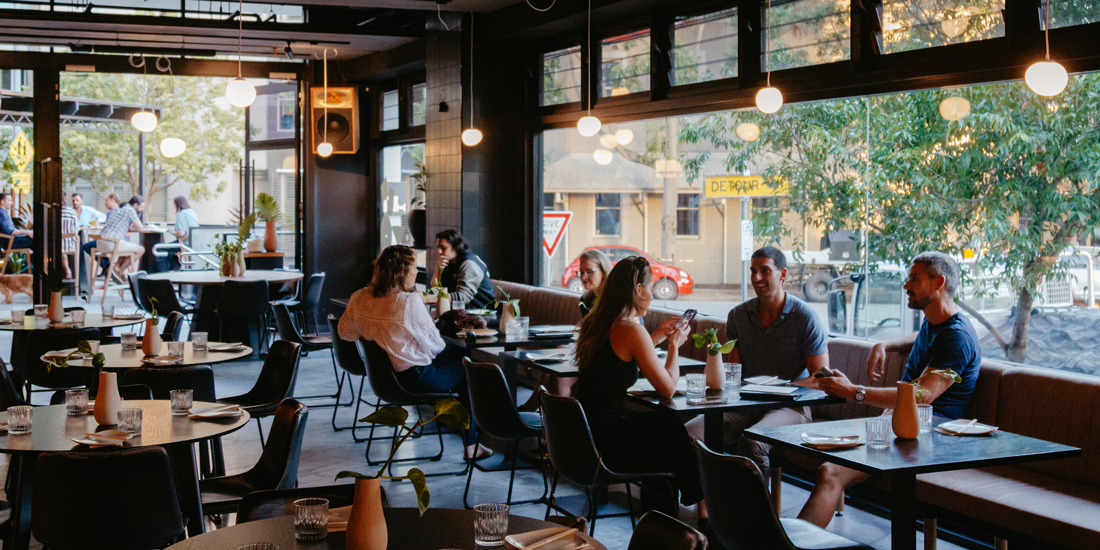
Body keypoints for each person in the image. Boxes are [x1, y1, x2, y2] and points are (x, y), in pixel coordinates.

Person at [797, 251, 981, 528]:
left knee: (830, 472)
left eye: (914, 279)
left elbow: (919, 396)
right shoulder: (935, 322)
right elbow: (923, 337)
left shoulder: (958, 337)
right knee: (821, 450)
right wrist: (886, 344)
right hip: (901, 428)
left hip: (929, 436)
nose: (906, 286)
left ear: (939, 283)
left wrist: (853, 391)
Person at [571, 256, 707, 523]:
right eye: (651, 286)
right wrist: (674, 346)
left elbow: (622, 354)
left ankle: (675, 518)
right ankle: (700, 511)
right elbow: (668, 388)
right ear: (638, 289)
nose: (653, 294)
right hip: (607, 447)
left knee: (664, 432)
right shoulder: (630, 329)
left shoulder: (597, 322)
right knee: (669, 427)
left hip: (583, 438)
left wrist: (653, 337)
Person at [338, 245, 491, 460]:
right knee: (468, 367)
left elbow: (345, 332)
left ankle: (453, 423)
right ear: (402, 272)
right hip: (413, 380)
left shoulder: (359, 296)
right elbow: (436, 346)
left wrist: (375, 333)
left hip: (383, 380)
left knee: (459, 362)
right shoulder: (407, 301)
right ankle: (473, 444)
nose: (416, 272)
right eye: (413, 268)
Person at [685, 246, 829, 473]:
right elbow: (735, 372)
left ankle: (756, 508)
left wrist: (783, 388)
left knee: (752, 442)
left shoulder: (805, 317)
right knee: (689, 435)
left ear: (783, 274)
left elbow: (821, 380)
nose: (756, 278)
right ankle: (705, 506)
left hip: (791, 408)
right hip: (745, 403)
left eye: (764, 270)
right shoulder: (738, 315)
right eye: (753, 271)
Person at [434, 229, 494, 309]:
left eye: (443, 248)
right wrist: (438, 269)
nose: (439, 251)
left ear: (455, 247)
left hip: (482, 313)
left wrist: (428, 298)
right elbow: (435, 290)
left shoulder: (469, 263)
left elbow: (464, 297)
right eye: (438, 247)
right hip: (463, 311)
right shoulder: (451, 263)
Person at [95, 193, 145, 279]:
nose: (142, 209)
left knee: (128, 248)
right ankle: (118, 271)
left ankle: (116, 268)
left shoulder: (118, 210)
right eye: (142, 207)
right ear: (136, 205)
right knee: (141, 250)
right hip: (111, 243)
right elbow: (140, 228)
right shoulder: (130, 210)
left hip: (100, 243)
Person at [577, 248, 613, 316]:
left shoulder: (614, 299)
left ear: (603, 273)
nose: (583, 277)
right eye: (582, 272)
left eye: (589, 272)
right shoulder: (585, 300)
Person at [61, 191, 78, 280]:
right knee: (62, 247)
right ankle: (68, 270)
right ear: (65, 198)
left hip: (55, 246)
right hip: (70, 245)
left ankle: (67, 270)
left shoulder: (51, 212)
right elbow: (76, 230)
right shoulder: (72, 212)